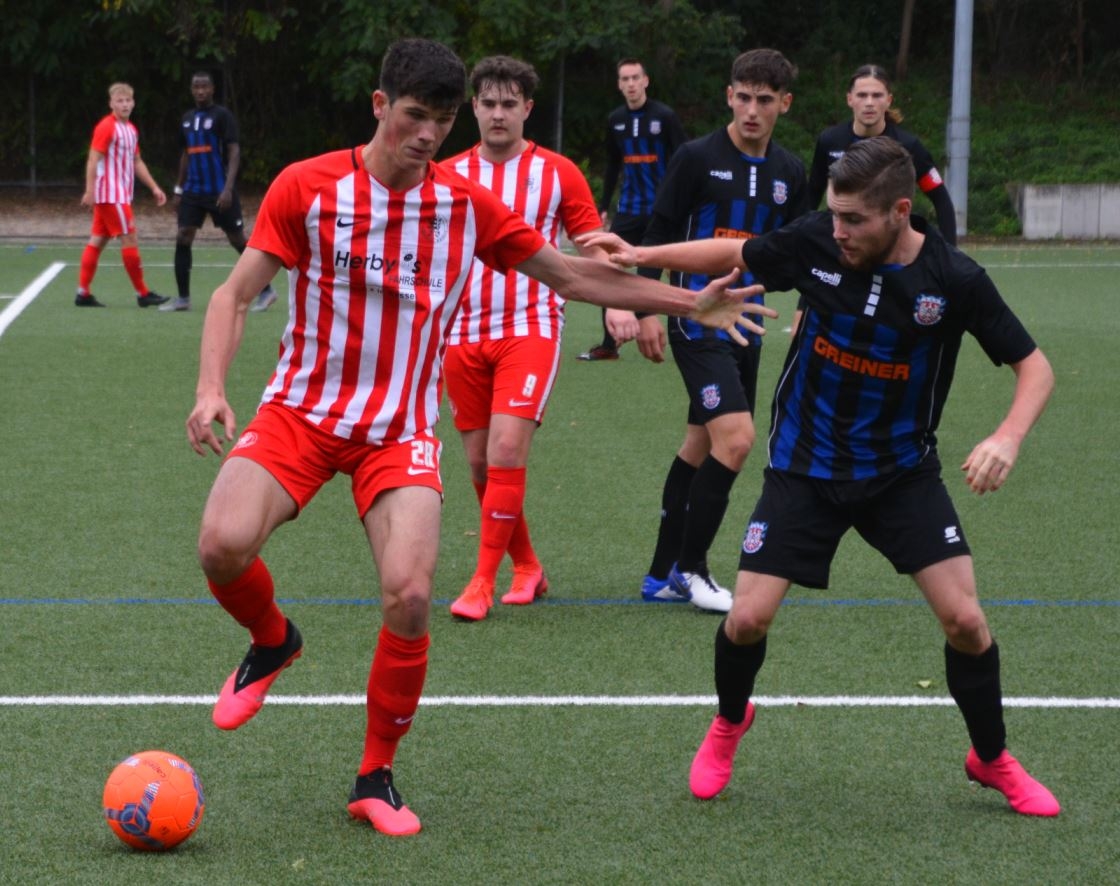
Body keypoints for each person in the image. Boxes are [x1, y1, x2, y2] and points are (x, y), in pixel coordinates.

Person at [185, 38, 772, 839]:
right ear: (380, 106)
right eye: (414, 115)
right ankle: (272, 639)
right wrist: (211, 387)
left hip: (397, 430)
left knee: (410, 595)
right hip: (301, 412)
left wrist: (684, 302)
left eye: (443, 118)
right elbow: (233, 295)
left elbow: (572, 274)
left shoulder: (465, 205)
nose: (428, 134)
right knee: (221, 546)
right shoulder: (308, 186)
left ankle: (375, 776)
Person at [582, 136, 1060, 817]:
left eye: (854, 220)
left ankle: (991, 757)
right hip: (804, 467)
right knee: (746, 619)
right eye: (834, 215)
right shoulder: (817, 240)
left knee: (965, 621)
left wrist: (1006, 436)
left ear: (900, 211)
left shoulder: (954, 279)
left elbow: (1034, 368)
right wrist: (641, 254)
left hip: (901, 473)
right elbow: (735, 254)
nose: (838, 231)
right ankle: (730, 721)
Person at [440, 56, 613, 621]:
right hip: (460, 334)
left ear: (527, 109)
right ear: (473, 107)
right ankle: (528, 566)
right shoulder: (445, 174)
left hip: (530, 325)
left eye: (509, 104)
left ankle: (481, 582)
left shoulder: (558, 172)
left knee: (507, 451)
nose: (498, 114)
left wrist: (620, 304)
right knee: (481, 466)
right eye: (488, 103)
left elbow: (592, 246)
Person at [634, 49, 807, 612]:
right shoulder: (695, 158)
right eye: (743, 97)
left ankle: (660, 574)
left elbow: (802, 251)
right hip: (696, 318)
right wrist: (645, 309)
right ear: (729, 96)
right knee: (736, 440)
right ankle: (692, 569)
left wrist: (813, 303)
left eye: (765, 100)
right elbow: (659, 230)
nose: (752, 110)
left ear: (784, 103)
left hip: (747, 326)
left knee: (701, 443)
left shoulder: (790, 172)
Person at [796, 64, 959, 334]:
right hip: (842, 250)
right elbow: (811, 197)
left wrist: (951, 255)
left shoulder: (909, 146)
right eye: (862, 95)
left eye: (877, 95)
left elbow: (941, 199)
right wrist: (803, 249)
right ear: (850, 99)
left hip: (891, 254)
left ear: (889, 100)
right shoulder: (830, 141)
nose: (869, 102)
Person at [578, 57, 686, 362]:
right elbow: (613, 166)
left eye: (635, 77)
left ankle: (681, 337)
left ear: (646, 81)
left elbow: (683, 161)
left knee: (654, 276)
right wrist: (603, 206)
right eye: (625, 79)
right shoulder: (616, 120)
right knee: (607, 270)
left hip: (660, 212)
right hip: (628, 211)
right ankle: (609, 345)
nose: (631, 84)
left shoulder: (664, 116)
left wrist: (682, 201)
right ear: (619, 84)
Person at [161, 70, 276, 313]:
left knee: (237, 239)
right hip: (193, 191)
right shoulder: (187, 119)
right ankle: (183, 298)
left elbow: (234, 151)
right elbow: (185, 155)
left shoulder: (222, 116)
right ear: (192, 90)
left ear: (212, 89)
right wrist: (179, 189)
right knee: (183, 236)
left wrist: (228, 189)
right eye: (196, 87)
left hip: (218, 191)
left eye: (205, 86)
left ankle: (266, 290)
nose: (200, 91)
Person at [75, 83, 169, 308]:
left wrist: (154, 187)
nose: (125, 104)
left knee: (98, 240)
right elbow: (93, 159)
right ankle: (143, 294)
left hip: (118, 195)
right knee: (130, 238)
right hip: (111, 195)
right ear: (111, 104)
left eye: (128, 100)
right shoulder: (107, 127)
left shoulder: (131, 129)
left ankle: (83, 293)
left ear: (133, 103)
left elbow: (137, 162)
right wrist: (90, 190)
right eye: (120, 101)